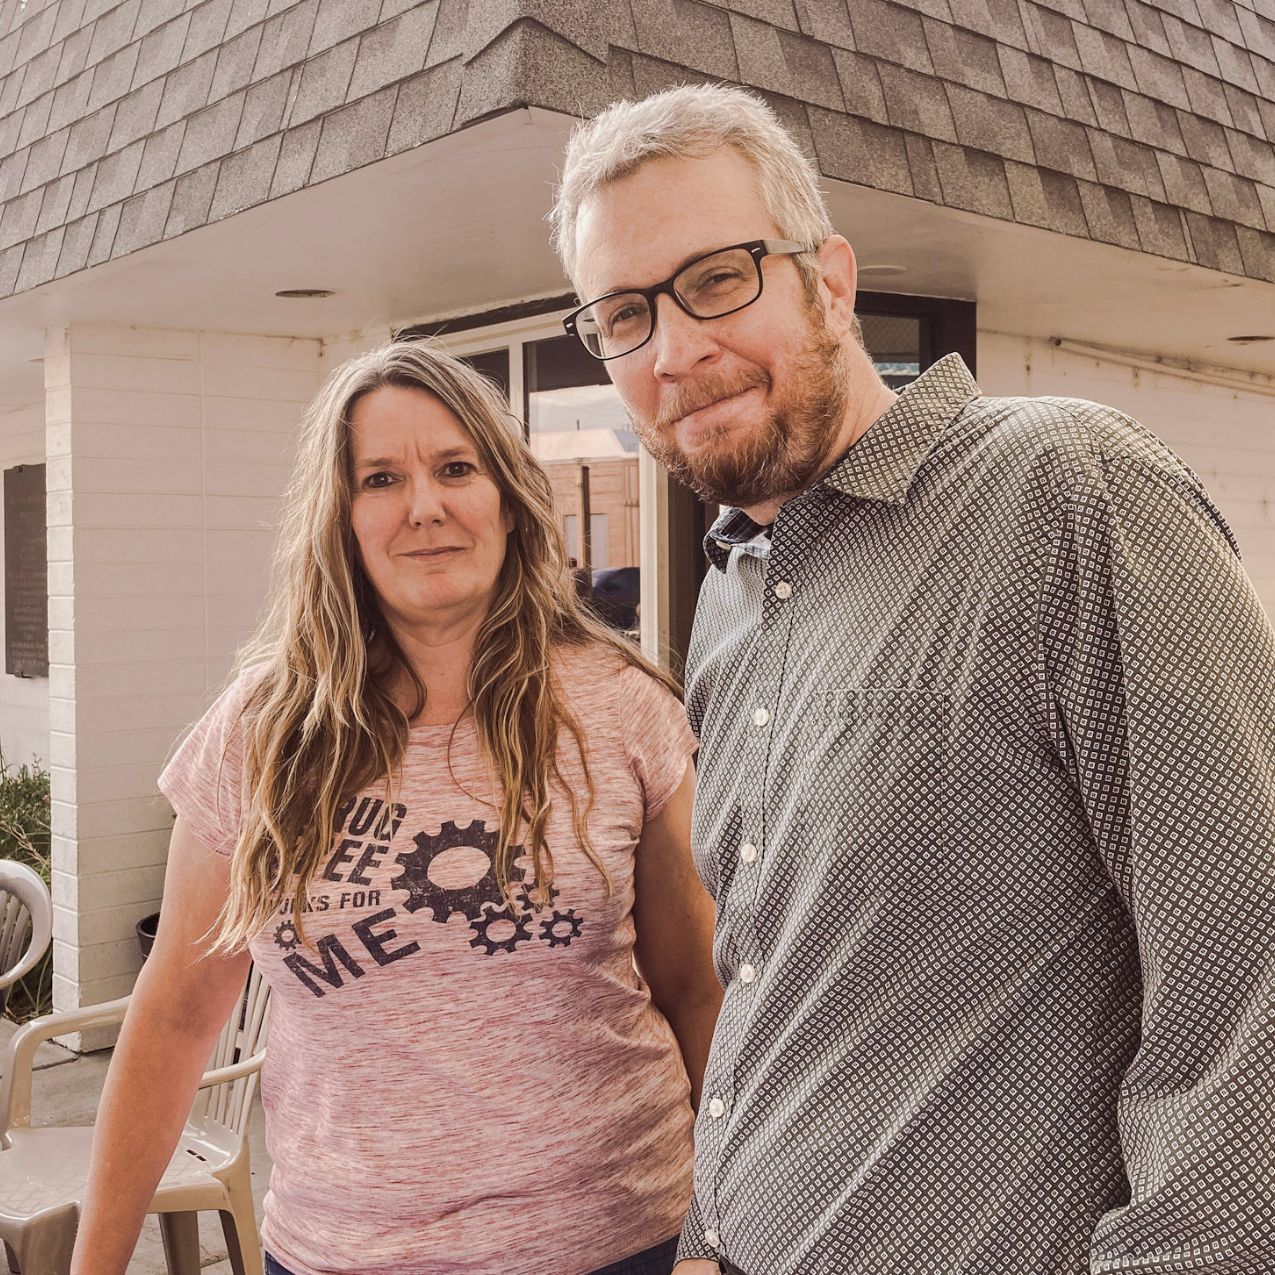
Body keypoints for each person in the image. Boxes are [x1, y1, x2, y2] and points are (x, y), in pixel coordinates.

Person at [550, 84, 1275, 1275]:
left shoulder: (1065, 495)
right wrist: (710, 1233)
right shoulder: (732, 589)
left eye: (718, 278)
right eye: (625, 314)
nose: (677, 349)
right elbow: (776, 973)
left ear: (828, 280)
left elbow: (1243, 985)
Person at [71, 342, 722, 1275]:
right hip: (345, 1251)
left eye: (455, 467)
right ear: (341, 518)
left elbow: (694, 990)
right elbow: (173, 1017)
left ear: (506, 496)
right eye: (381, 477)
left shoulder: (621, 705)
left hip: (621, 1239)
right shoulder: (260, 732)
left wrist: (723, 1236)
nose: (424, 506)